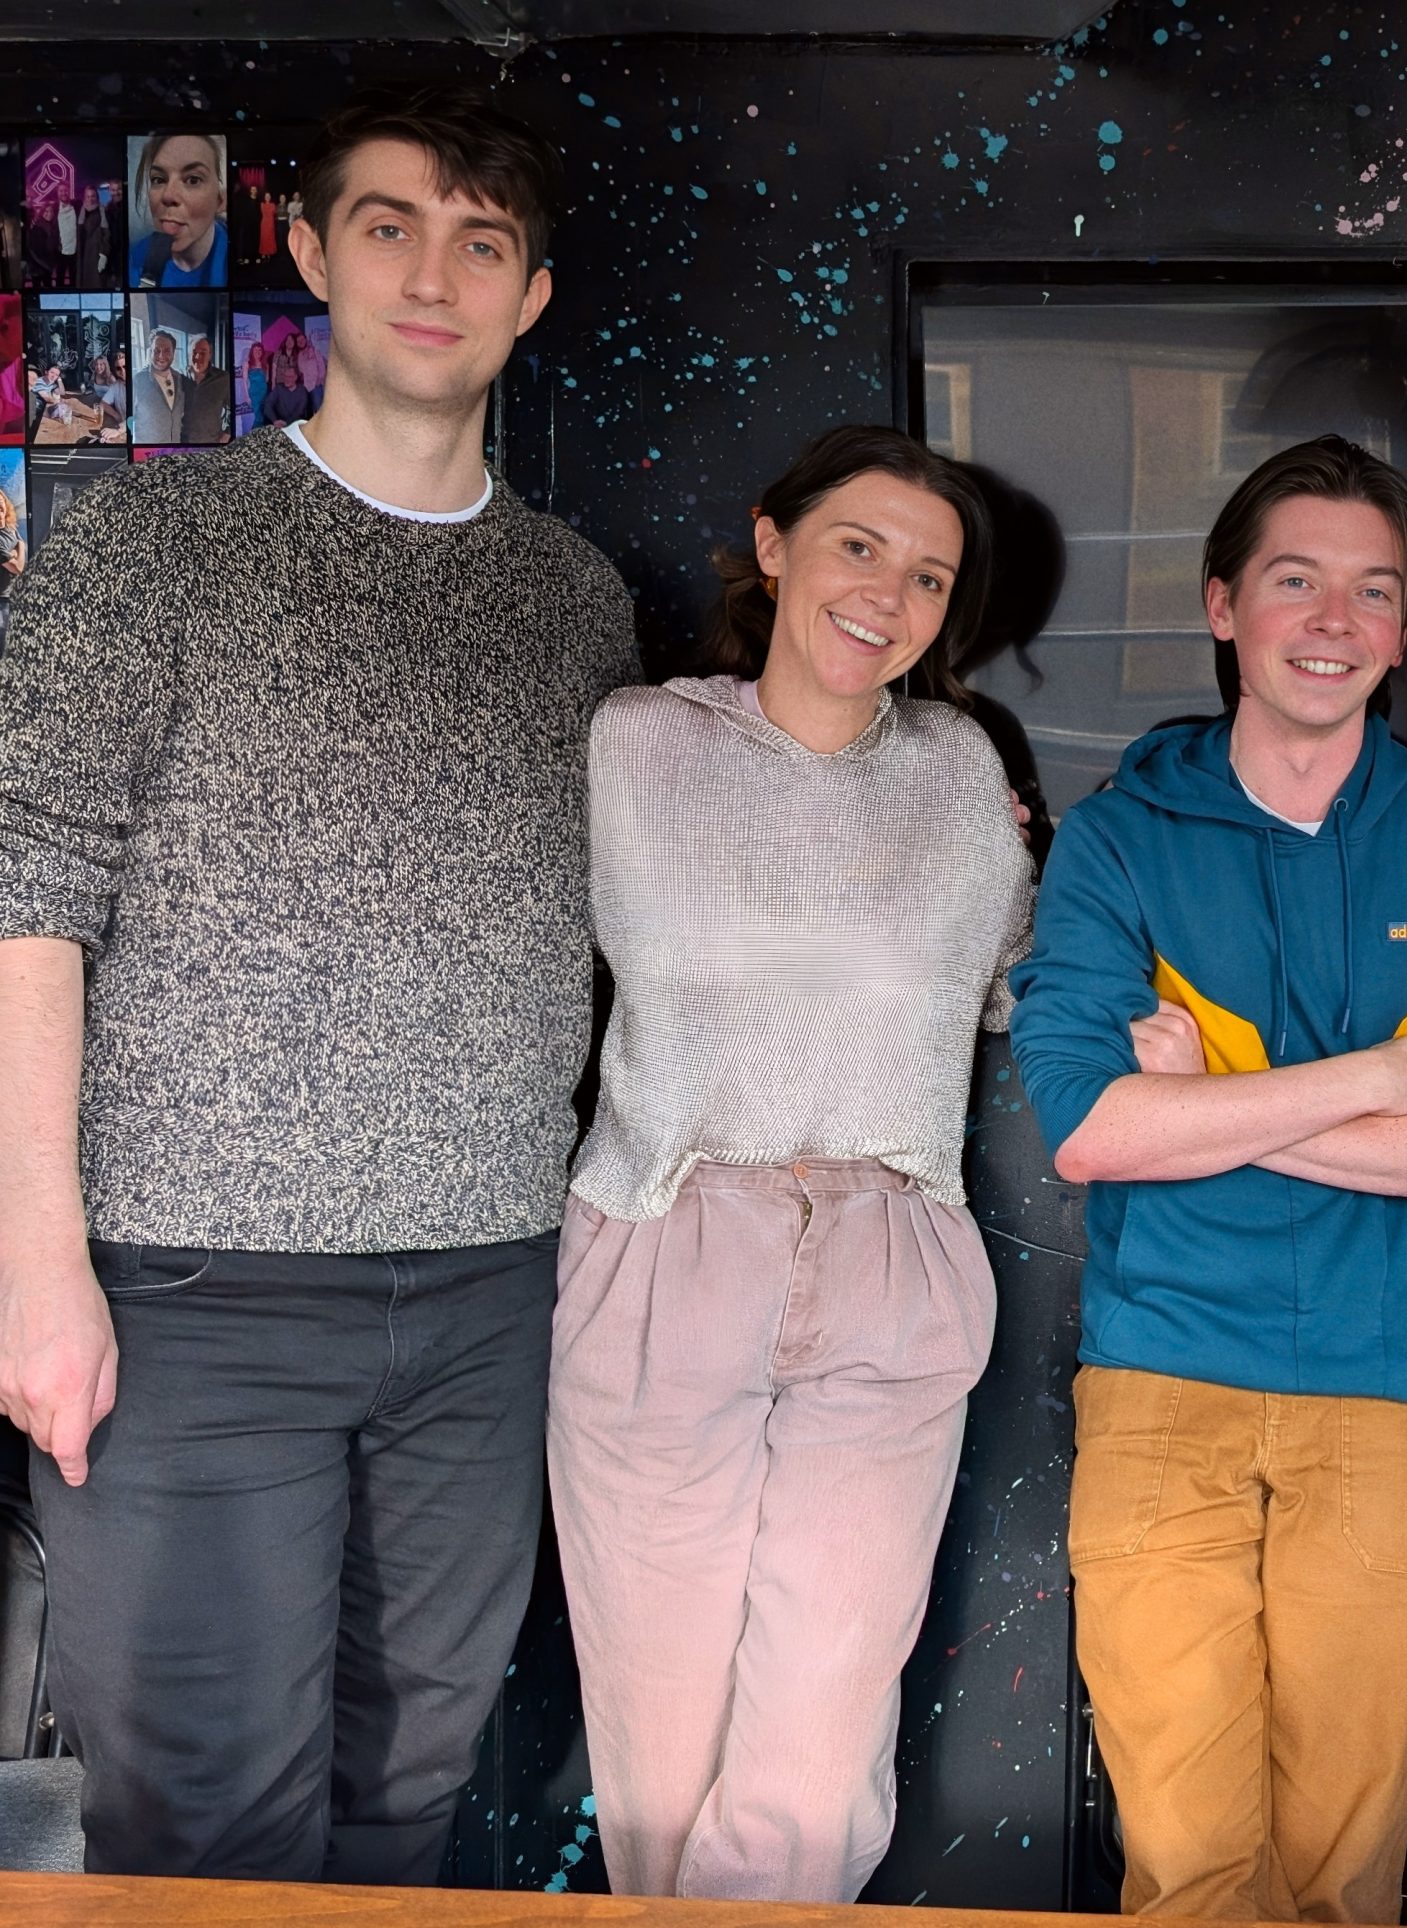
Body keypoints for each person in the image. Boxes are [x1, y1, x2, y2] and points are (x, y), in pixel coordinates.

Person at [0, 82, 638, 1883]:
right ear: (307, 254)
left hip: (492, 1285)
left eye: (481, 243)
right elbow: (24, 895)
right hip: (192, 1293)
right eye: (389, 226)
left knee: (410, 1792)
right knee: (205, 1820)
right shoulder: (151, 547)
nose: (433, 276)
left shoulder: (577, 599)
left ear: (530, 296)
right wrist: (35, 1266)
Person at [1010, 435, 1407, 1925]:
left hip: (1388, 1395)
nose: (1334, 621)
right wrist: (1386, 1075)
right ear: (1221, 606)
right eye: (1295, 581)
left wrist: (1209, 1104)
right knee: (1186, 1863)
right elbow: (1091, 1130)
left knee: (1343, 1869)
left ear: (1402, 628)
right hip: (1164, 1382)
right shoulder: (1119, 840)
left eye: (1372, 590)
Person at [549, 425, 1032, 1903]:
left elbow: (1018, 979)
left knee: (816, 1762)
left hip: (892, 1258)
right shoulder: (635, 743)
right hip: (664, 1242)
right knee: (658, 1753)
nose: (889, 594)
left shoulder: (962, 772)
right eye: (859, 547)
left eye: (929, 576)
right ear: (774, 545)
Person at [129, 132, 229, 289]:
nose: (168, 196)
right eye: (158, 179)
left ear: (220, 200)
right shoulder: (135, 258)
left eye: (193, 180)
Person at [127, 330, 188, 445]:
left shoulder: (180, 379)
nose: (161, 356)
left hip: (175, 449)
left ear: (173, 353)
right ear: (150, 351)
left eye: (167, 351)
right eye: (156, 350)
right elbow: (128, 419)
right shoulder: (137, 381)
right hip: (148, 451)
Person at [181, 333, 226, 444]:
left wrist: (228, 432)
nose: (197, 357)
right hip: (183, 443)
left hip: (211, 443)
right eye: (194, 352)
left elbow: (233, 407)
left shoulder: (223, 378)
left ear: (210, 355)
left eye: (203, 353)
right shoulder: (179, 378)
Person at [261, 348, 314, 426]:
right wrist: (275, 420)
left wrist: (287, 423)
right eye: (285, 376)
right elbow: (268, 404)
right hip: (278, 425)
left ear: (295, 377)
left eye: (289, 377)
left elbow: (300, 411)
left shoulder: (302, 390)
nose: (286, 379)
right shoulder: (278, 389)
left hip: (296, 426)